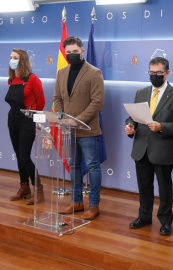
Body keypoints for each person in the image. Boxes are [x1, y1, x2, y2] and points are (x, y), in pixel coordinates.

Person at [125, 57, 173, 235]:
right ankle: (144, 217)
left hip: (163, 149)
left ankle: (166, 221)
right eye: (151, 73)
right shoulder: (141, 92)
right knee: (144, 186)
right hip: (141, 148)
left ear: (167, 73)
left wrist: (162, 127)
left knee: (164, 188)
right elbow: (133, 117)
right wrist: (130, 126)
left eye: (158, 73)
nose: (154, 76)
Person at [54, 36, 104, 220]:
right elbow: (57, 99)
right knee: (73, 165)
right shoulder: (61, 72)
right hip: (68, 130)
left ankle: (94, 205)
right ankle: (76, 202)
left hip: (88, 129)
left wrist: (78, 120)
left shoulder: (94, 72)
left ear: (82, 51)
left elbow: (97, 102)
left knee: (92, 166)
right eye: (68, 52)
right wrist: (61, 117)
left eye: (75, 51)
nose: (72, 55)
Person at [5, 48, 45, 205]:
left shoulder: (33, 79)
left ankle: (38, 189)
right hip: (12, 120)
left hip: (27, 121)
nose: (12, 60)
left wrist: (34, 118)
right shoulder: (10, 79)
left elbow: (40, 102)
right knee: (18, 155)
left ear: (23, 60)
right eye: (10, 57)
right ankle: (24, 188)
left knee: (24, 156)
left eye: (15, 57)